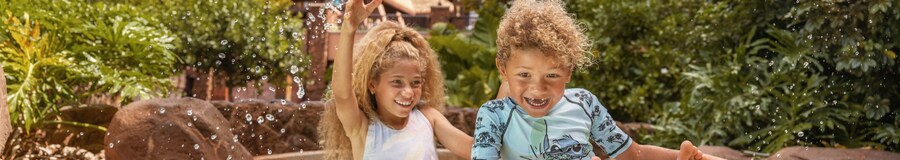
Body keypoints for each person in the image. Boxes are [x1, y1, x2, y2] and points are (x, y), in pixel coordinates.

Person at [471, 0, 723, 160]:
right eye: (524, 75)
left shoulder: (583, 103)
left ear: (568, 72)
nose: (538, 88)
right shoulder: (494, 115)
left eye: (552, 75)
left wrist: (680, 156)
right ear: (503, 70)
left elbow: (633, 155)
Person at [317, 0, 472, 159]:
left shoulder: (428, 118)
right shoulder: (363, 128)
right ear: (372, 85)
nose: (408, 92)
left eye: (415, 82)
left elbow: (475, 150)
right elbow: (342, 94)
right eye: (397, 82)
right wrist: (349, 28)